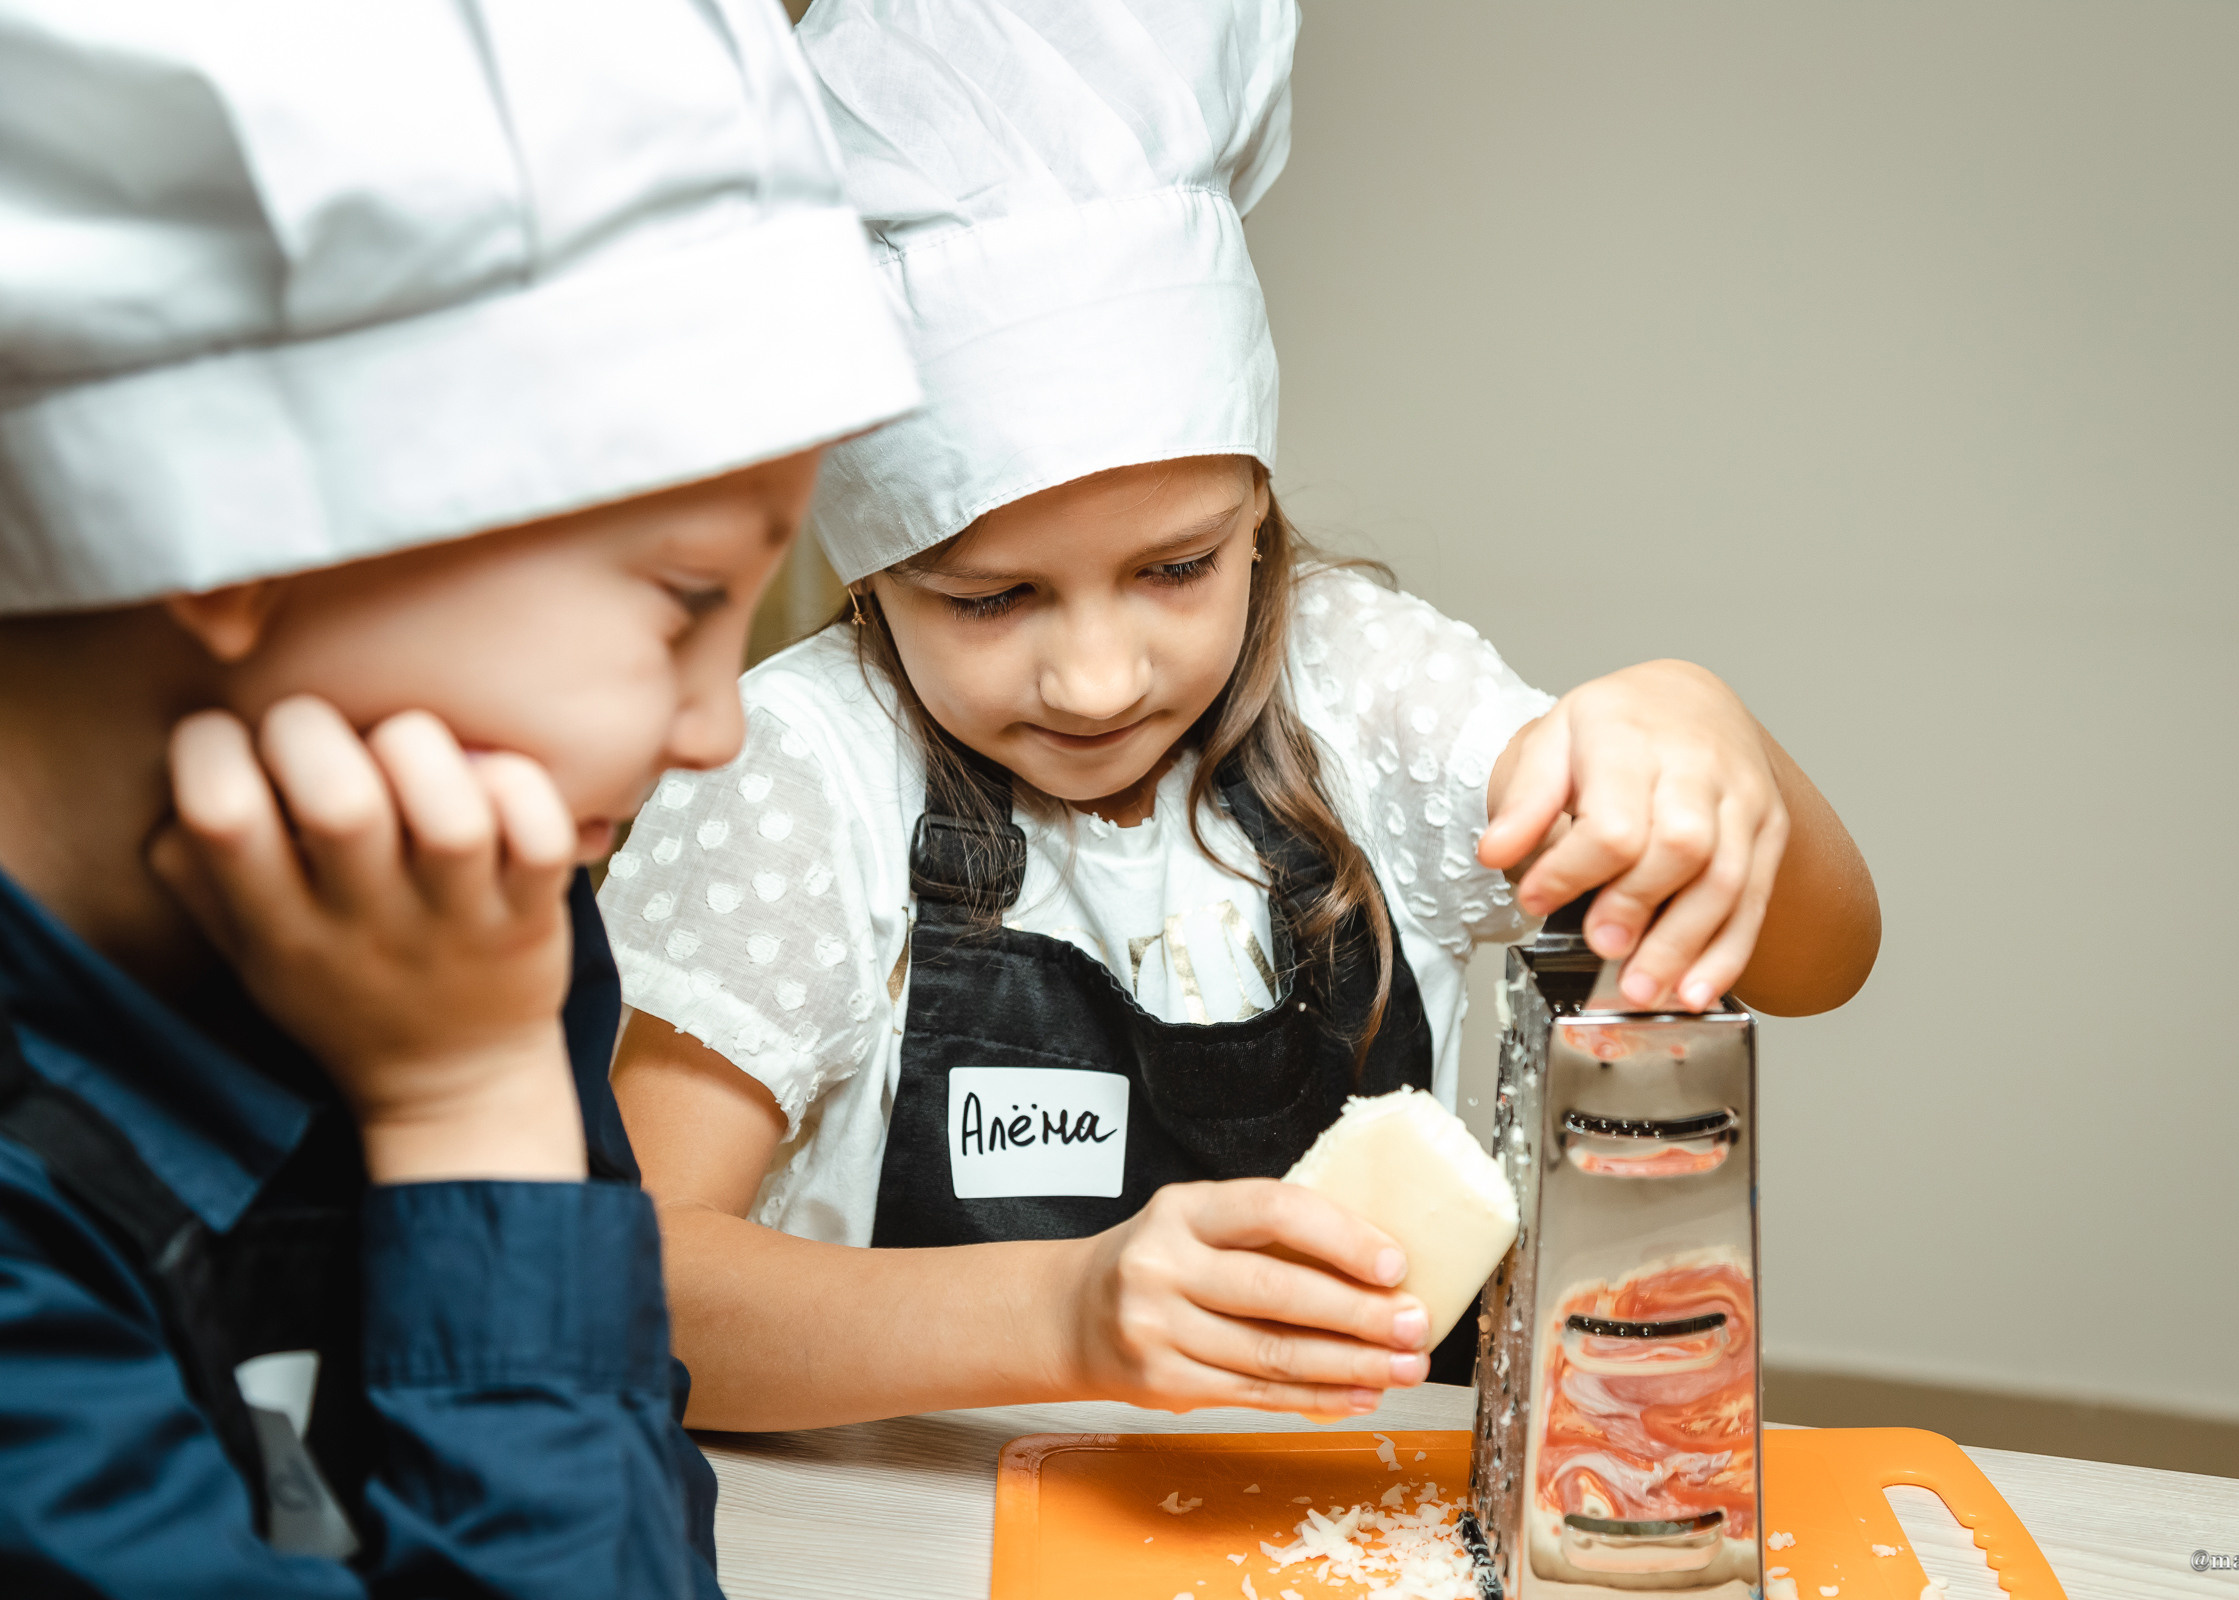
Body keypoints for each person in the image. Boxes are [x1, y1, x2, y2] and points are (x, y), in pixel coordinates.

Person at [601, 0, 1881, 1434]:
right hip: (918, 1530)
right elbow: (624, 1293)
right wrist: (1060, 1314)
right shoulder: (794, 775)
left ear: (1256, 514)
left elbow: (1824, 959)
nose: (1099, 680)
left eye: (1177, 569)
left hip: (1345, 1525)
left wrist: (1708, 734)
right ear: (872, 568)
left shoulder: (1357, 694)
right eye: (992, 597)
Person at [0, 4, 917, 1594]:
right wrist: (471, 1119)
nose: (717, 731)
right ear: (239, 520)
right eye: (684, 599)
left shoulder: (469, 915)